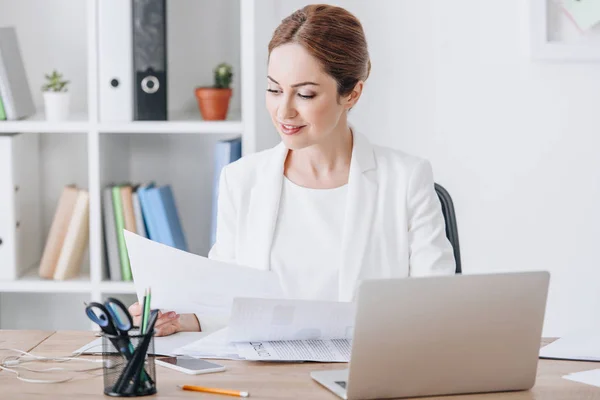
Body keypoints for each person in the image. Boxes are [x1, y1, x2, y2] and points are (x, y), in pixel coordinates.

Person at [129, 4, 456, 336]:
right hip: (267, 380)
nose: (284, 111)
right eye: (274, 89)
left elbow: (436, 309)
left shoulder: (406, 180)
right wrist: (180, 319)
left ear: (352, 93)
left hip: (365, 375)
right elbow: (225, 305)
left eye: (305, 94)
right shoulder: (241, 181)